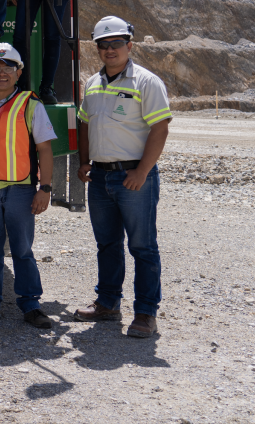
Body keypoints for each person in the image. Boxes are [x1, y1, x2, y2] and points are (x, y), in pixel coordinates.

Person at [74, 17, 171, 339]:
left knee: (142, 246)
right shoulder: (92, 83)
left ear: (129, 45)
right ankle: (108, 304)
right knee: (107, 244)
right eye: (104, 45)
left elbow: (160, 128)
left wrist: (142, 172)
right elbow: (85, 123)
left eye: (116, 44)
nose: (110, 50)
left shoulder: (146, 82)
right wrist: (84, 161)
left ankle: (145, 313)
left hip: (133, 177)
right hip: (100, 177)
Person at [0, 44, 56, 330]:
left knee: (22, 249)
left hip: (20, 190)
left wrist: (46, 188)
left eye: (8, 68)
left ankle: (31, 305)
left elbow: (44, 149)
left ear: (19, 73)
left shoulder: (31, 105)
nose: (1, 73)